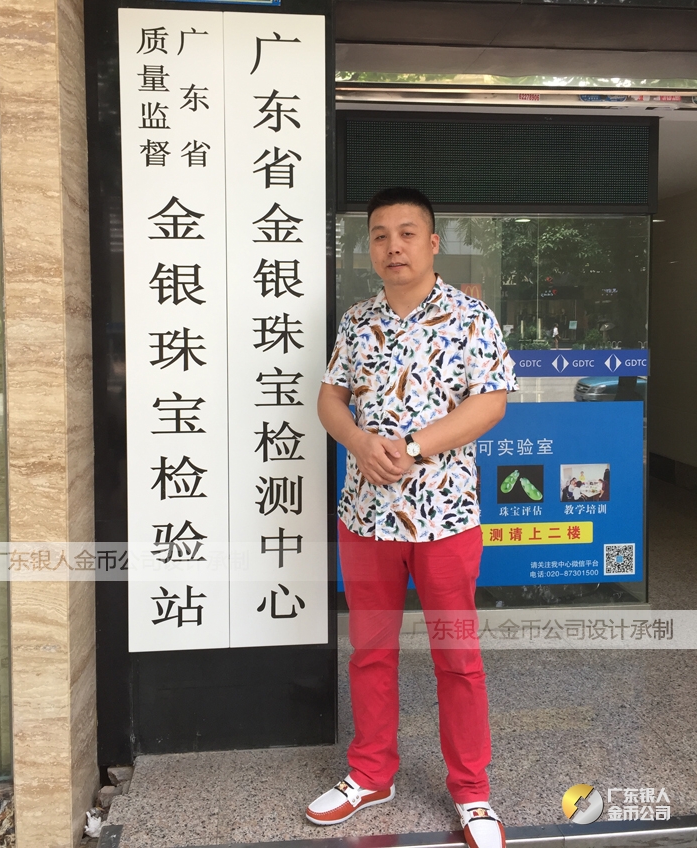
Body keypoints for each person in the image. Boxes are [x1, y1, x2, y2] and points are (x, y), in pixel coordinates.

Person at [307, 188, 518, 848]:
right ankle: (372, 774)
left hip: (445, 517)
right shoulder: (356, 321)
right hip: (366, 518)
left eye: (406, 233)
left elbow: (490, 403)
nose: (392, 246)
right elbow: (329, 400)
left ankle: (472, 791)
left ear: (432, 243)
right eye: (379, 235)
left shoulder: (471, 316)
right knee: (370, 651)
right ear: (370, 248)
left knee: (457, 656)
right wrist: (358, 440)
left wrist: (415, 447)